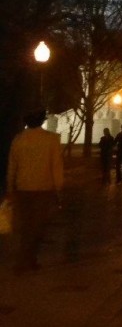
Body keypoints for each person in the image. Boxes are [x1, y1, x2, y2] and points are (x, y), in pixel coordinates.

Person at [6, 109, 64, 274]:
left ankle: (26, 259)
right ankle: (27, 259)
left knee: (25, 225)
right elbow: (56, 166)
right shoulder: (51, 139)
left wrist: (10, 187)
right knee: (38, 226)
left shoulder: (18, 139)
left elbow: (12, 165)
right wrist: (59, 188)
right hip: (43, 188)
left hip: (23, 188)